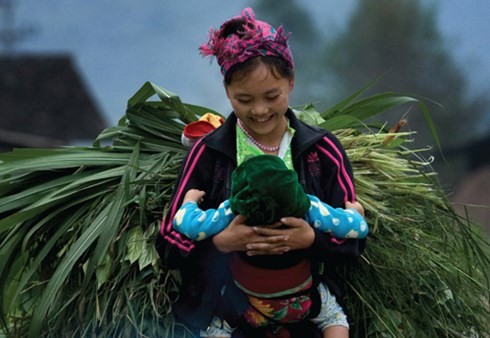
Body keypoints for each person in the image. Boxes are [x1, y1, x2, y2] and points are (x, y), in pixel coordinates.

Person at [156, 7, 366, 338]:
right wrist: (223, 243)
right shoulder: (209, 153)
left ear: (291, 82)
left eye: (272, 96)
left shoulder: (321, 151)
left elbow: (355, 239)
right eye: (244, 99)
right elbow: (168, 242)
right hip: (228, 316)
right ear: (227, 92)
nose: (260, 110)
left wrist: (310, 239)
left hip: (308, 316)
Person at [172, 155, 368, 337]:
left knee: (215, 326)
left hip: (249, 304)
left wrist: (189, 202)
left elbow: (188, 225)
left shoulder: (232, 211)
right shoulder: (308, 206)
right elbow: (355, 228)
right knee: (334, 318)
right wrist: (355, 213)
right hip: (302, 302)